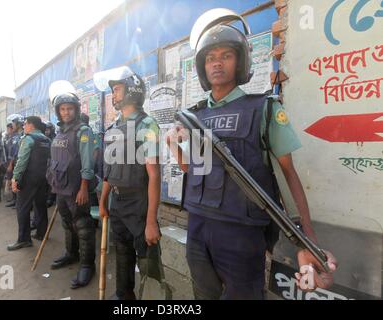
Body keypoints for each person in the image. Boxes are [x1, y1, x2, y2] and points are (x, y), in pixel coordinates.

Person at [165, 10, 337, 300]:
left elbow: (287, 176)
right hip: (198, 227)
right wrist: (173, 146)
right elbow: (192, 170)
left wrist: (305, 242)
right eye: (210, 57)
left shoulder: (264, 109)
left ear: (241, 60)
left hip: (241, 235)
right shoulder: (194, 116)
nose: (217, 62)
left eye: (226, 55)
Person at [95, 66, 163, 300]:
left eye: (116, 89)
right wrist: (104, 201)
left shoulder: (147, 125)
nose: (113, 95)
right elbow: (108, 171)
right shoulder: (113, 128)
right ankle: (124, 296)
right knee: (122, 252)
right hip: (117, 201)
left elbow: (154, 174)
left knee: (147, 258)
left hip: (139, 202)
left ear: (131, 90)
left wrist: (151, 221)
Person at [46, 82, 97, 289]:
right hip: (60, 187)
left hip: (77, 188)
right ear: (58, 112)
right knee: (67, 223)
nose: (66, 112)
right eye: (63, 109)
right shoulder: (60, 132)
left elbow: (87, 162)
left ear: (76, 110)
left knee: (83, 226)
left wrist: (84, 187)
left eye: (70, 108)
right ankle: (71, 253)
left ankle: (87, 265)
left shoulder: (83, 131)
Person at [7, 116, 51, 251]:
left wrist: (15, 178)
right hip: (43, 178)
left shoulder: (28, 139)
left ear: (31, 125)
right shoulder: (47, 140)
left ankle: (24, 239)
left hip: (28, 179)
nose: (24, 126)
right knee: (40, 206)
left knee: (22, 208)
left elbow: (22, 160)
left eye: (25, 124)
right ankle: (42, 233)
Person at [5, 114, 25, 208]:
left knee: (18, 182)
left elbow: (17, 152)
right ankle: (15, 200)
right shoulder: (14, 136)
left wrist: (11, 164)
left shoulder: (22, 135)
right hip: (13, 162)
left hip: (18, 163)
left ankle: (20, 203)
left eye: (13, 123)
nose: (12, 125)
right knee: (14, 181)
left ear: (18, 123)